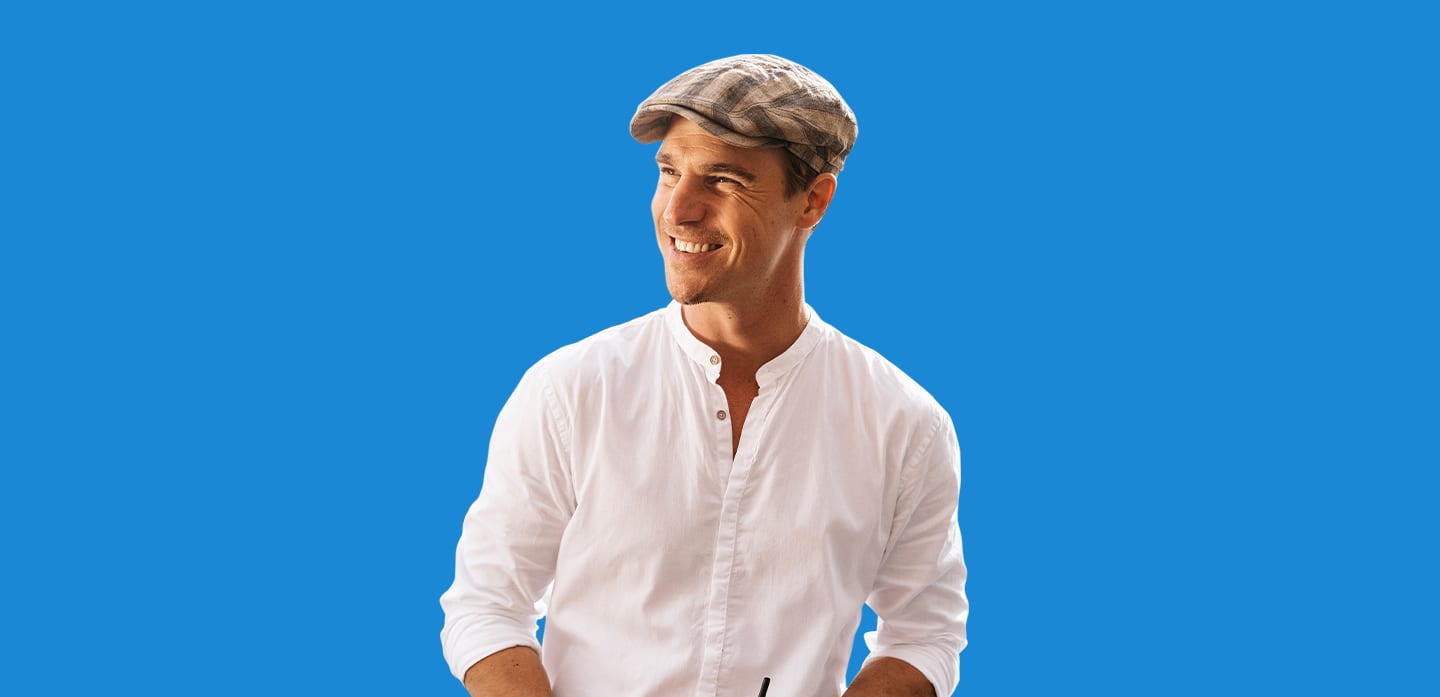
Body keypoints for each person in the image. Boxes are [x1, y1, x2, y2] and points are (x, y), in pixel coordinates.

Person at [440, 54, 968, 697]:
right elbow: (487, 606)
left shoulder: (903, 423)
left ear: (813, 201)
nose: (679, 210)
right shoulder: (570, 391)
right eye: (669, 172)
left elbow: (925, 633)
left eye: (723, 179)